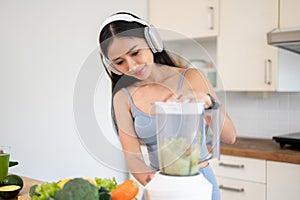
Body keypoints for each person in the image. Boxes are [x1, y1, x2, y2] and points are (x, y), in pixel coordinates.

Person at [98, 12, 236, 200]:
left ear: (152, 41)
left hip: (199, 184)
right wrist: (157, 184)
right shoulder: (122, 97)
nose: (131, 66)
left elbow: (229, 137)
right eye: (120, 62)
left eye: (135, 53)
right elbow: (133, 158)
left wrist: (209, 104)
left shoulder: (192, 77)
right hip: (157, 186)